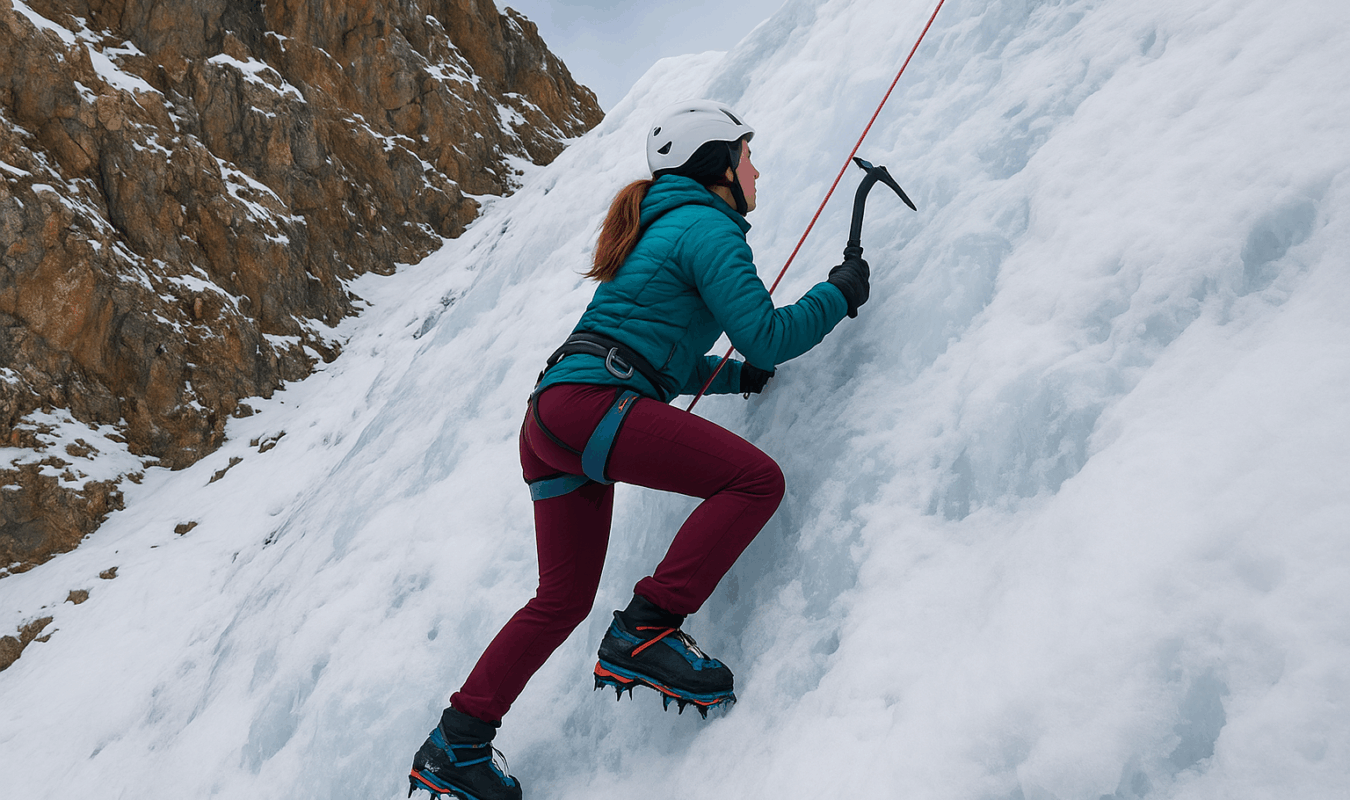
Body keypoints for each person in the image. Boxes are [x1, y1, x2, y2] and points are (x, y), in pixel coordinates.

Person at [408, 100, 871, 800]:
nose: (756, 166)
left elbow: (652, 354)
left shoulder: (667, 226)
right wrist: (838, 295)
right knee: (755, 481)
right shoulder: (707, 227)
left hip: (554, 417)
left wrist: (735, 378)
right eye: (746, 153)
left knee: (561, 598)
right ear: (716, 165)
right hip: (594, 406)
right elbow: (769, 332)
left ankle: (457, 743)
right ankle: (649, 628)